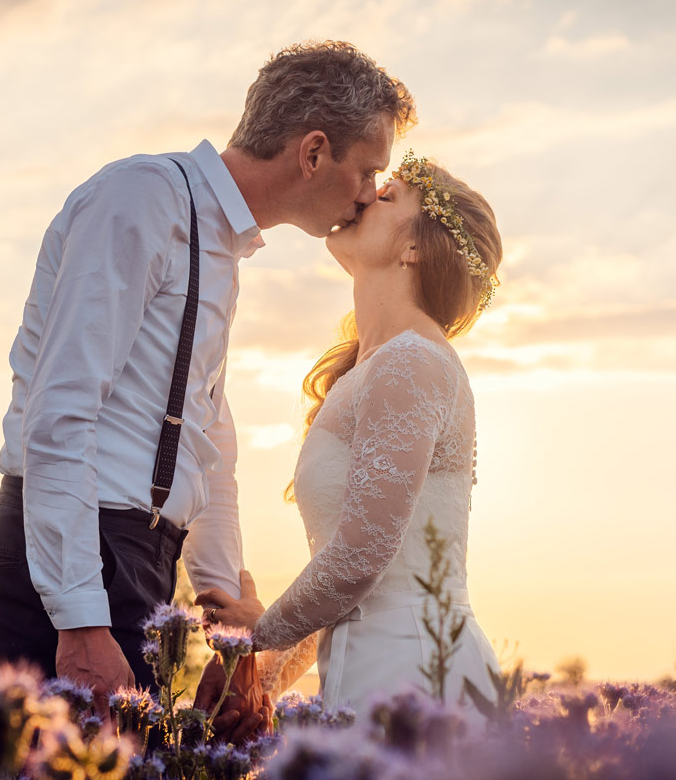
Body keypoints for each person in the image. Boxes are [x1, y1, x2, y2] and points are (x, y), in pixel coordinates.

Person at [0, 40, 417, 740]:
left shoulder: (222, 248)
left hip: (134, 561)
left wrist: (224, 606)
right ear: (313, 152)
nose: (367, 192)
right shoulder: (142, 200)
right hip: (69, 558)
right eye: (367, 170)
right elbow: (61, 412)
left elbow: (207, 446)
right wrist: (81, 621)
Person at [194, 152, 505, 714]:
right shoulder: (376, 367)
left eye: (386, 198)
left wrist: (258, 632)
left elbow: (364, 556)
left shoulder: (412, 362)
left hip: (413, 670)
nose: (365, 198)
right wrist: (260, 681)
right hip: (372, 663)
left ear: (415, 249)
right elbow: (350, 581)